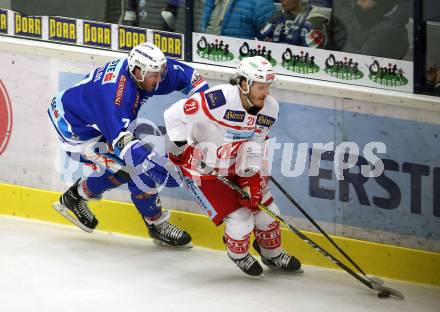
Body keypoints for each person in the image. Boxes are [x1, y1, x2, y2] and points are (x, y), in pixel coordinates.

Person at [47, 42, 208, 248]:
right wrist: (157, 166)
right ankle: (156, 224)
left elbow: (192, 78)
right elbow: (130, 150)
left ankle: (74, 197)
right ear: (137, 72)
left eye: (160, 73)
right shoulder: (116, 98)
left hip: (89, 116)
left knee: (127, 168)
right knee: (137, 171)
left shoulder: (146, 70)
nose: (159, 80)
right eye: (153, 76)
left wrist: (204, 112)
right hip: (75, 131)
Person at [163, 56, 302, 276]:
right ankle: (238, 254)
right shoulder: (218, 100)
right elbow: (172, 115)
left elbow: (256, 144)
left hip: (237, 164)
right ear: (244, 83)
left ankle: (272, 254)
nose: (266, 92)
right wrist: (180, 149)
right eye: (260, 86)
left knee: (268, 213)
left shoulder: (270, 109)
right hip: (203, 170)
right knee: (240, 221)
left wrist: (249, 178)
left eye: (268, 86)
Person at [328, 0, 409, 59]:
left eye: (363, 0)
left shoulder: (389, 30)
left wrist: (338, 38)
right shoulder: (365, 12)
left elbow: (362, 61)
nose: (358, 3)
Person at [258, 0, 330, 48]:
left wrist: (275, 46)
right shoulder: (279, 15)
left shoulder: (315, 18)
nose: (281, 0)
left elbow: (310, 49)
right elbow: (261, 39)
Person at [199, 0, 276, 39]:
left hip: (242, 65)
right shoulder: (210, 1)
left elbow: (270, 41)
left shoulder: (260, 2)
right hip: (204, 60)